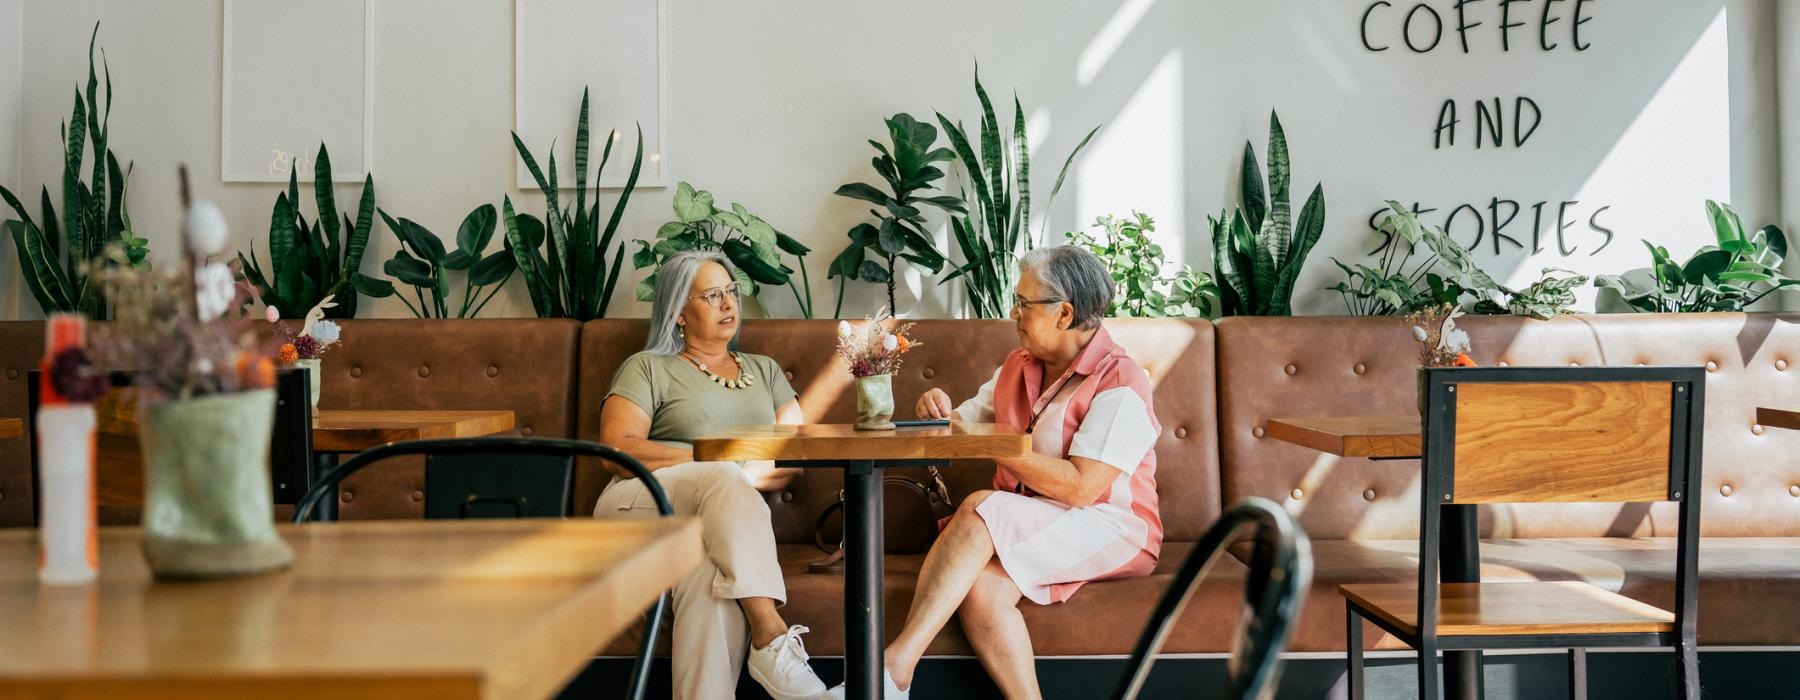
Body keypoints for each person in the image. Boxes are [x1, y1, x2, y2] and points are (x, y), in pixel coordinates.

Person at [830, 245, 1164, 699]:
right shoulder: (1018, 365)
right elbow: (963, 424)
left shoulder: (1120, 381)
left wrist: (993, 445)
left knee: (982, 508)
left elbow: (1084, 488)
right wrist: (938, 409)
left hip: (1110, 527)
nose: (1014, 312)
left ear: (1063, 314)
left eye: (1024, 304)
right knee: (983, 590)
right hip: (1033, 521)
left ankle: (894, 669)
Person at [595, 250, 827, 700]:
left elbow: (794, 454)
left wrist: (729, 472)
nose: (728, 304)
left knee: (708, 582)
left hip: (710, 530)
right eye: (713, 295)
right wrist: (716, 463)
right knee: (720, 474)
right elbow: (617, 448)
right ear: (678, 312)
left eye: (732, 292)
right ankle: (771, 634)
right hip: (639, 505)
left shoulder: (765, 370)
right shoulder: (648, 367)